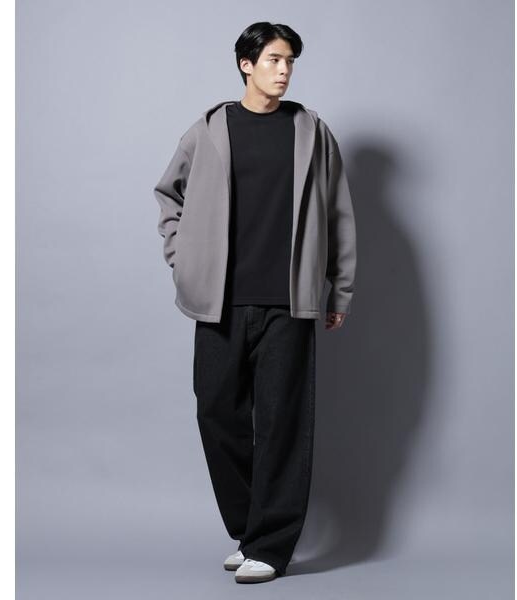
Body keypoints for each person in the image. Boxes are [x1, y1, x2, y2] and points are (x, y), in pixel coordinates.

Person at [153, 22, 357, 583]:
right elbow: (169, 194)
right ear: (246, 64)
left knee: (281, 424)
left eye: (289, 60)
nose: (284, 70)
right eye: (273, 59)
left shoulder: (312, 132)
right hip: (220, 301)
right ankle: (251, 530)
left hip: (289, 302)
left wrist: (338, 288)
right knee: (217, 413)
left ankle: (270, 545)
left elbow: (338, 213)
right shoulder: (210, 129)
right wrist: (181, 257)